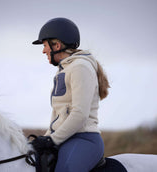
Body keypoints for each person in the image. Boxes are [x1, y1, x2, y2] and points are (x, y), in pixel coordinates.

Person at [32, 17, 110, 172]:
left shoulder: (80, 67)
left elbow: (80, 114)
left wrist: (52, 140)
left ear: (57, 45)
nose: (43, 50)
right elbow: (59, 115)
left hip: (84, 139)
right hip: (64, 138)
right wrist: (46, 138)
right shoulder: (63, 70)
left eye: (45, 45)